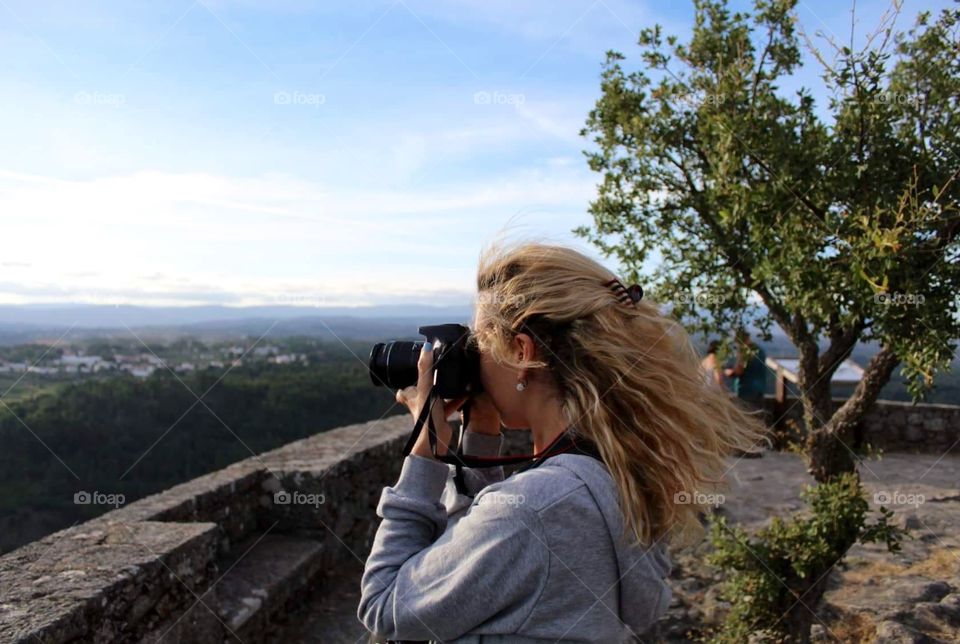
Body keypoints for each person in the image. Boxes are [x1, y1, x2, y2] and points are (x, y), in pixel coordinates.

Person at [358, 241, 767, 643]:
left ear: (521, 351)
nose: (475, 359)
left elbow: (385, 606)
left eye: (480, 343)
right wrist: (480, 432)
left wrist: (424, 454)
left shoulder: (536, 509)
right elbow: (470, 565)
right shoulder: (609, 474)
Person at [723, 329, 767, 414]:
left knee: (746, 419)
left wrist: (729, 372)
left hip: (746, 391)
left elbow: (739, 370)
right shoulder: (760, 350)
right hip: (759, 391)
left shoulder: (745, 351)